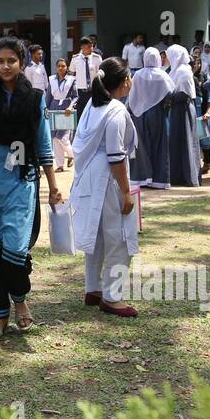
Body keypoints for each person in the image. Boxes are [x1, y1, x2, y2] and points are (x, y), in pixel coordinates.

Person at [0, 37, 62, 339]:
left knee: (15, 250)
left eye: (11, 61)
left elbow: (43, 144)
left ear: (22, 62)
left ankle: (19, 300)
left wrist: (53, 186)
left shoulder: (34, 97)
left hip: (22, 178)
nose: (5, 66)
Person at [69, 57, 139, 317]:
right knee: (120, 236)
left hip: (87, 174)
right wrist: (126, 192)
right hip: (107, 179)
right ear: (124, 81)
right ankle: (113, 296)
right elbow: (116, 156)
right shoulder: (116, 111)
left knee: (95, 235)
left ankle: (93, 288)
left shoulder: (92, 105)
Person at [127, 47, 173, 190]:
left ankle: (143, 178)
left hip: (140, 114)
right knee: (159, 145)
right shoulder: (162, 75)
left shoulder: (138, 75)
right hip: (158, 113)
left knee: (142, 146)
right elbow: (170, 92)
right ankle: (159, 180)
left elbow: (131, 95)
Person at [165, 45, 201, 187]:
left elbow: (185, 93)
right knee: (176, 141)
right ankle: (177, 175)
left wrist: (168, 97)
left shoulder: (184, 71)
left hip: (183, 109)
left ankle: (188, 176)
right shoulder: (175, 70)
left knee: (186, 140)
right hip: (176, 108)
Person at [47, 58, 76, 171]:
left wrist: (70, 106)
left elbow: (76, 96)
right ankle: (59, 165)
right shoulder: (51, 79)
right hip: (54, 107)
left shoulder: (72, 80)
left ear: (67, 67)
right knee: (54, 138)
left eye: (63, 66)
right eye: (59, 66)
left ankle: (72, 155)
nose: (61, 68)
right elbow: (48, 96)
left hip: (66, 109)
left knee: (62, 137)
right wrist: (46, 109)